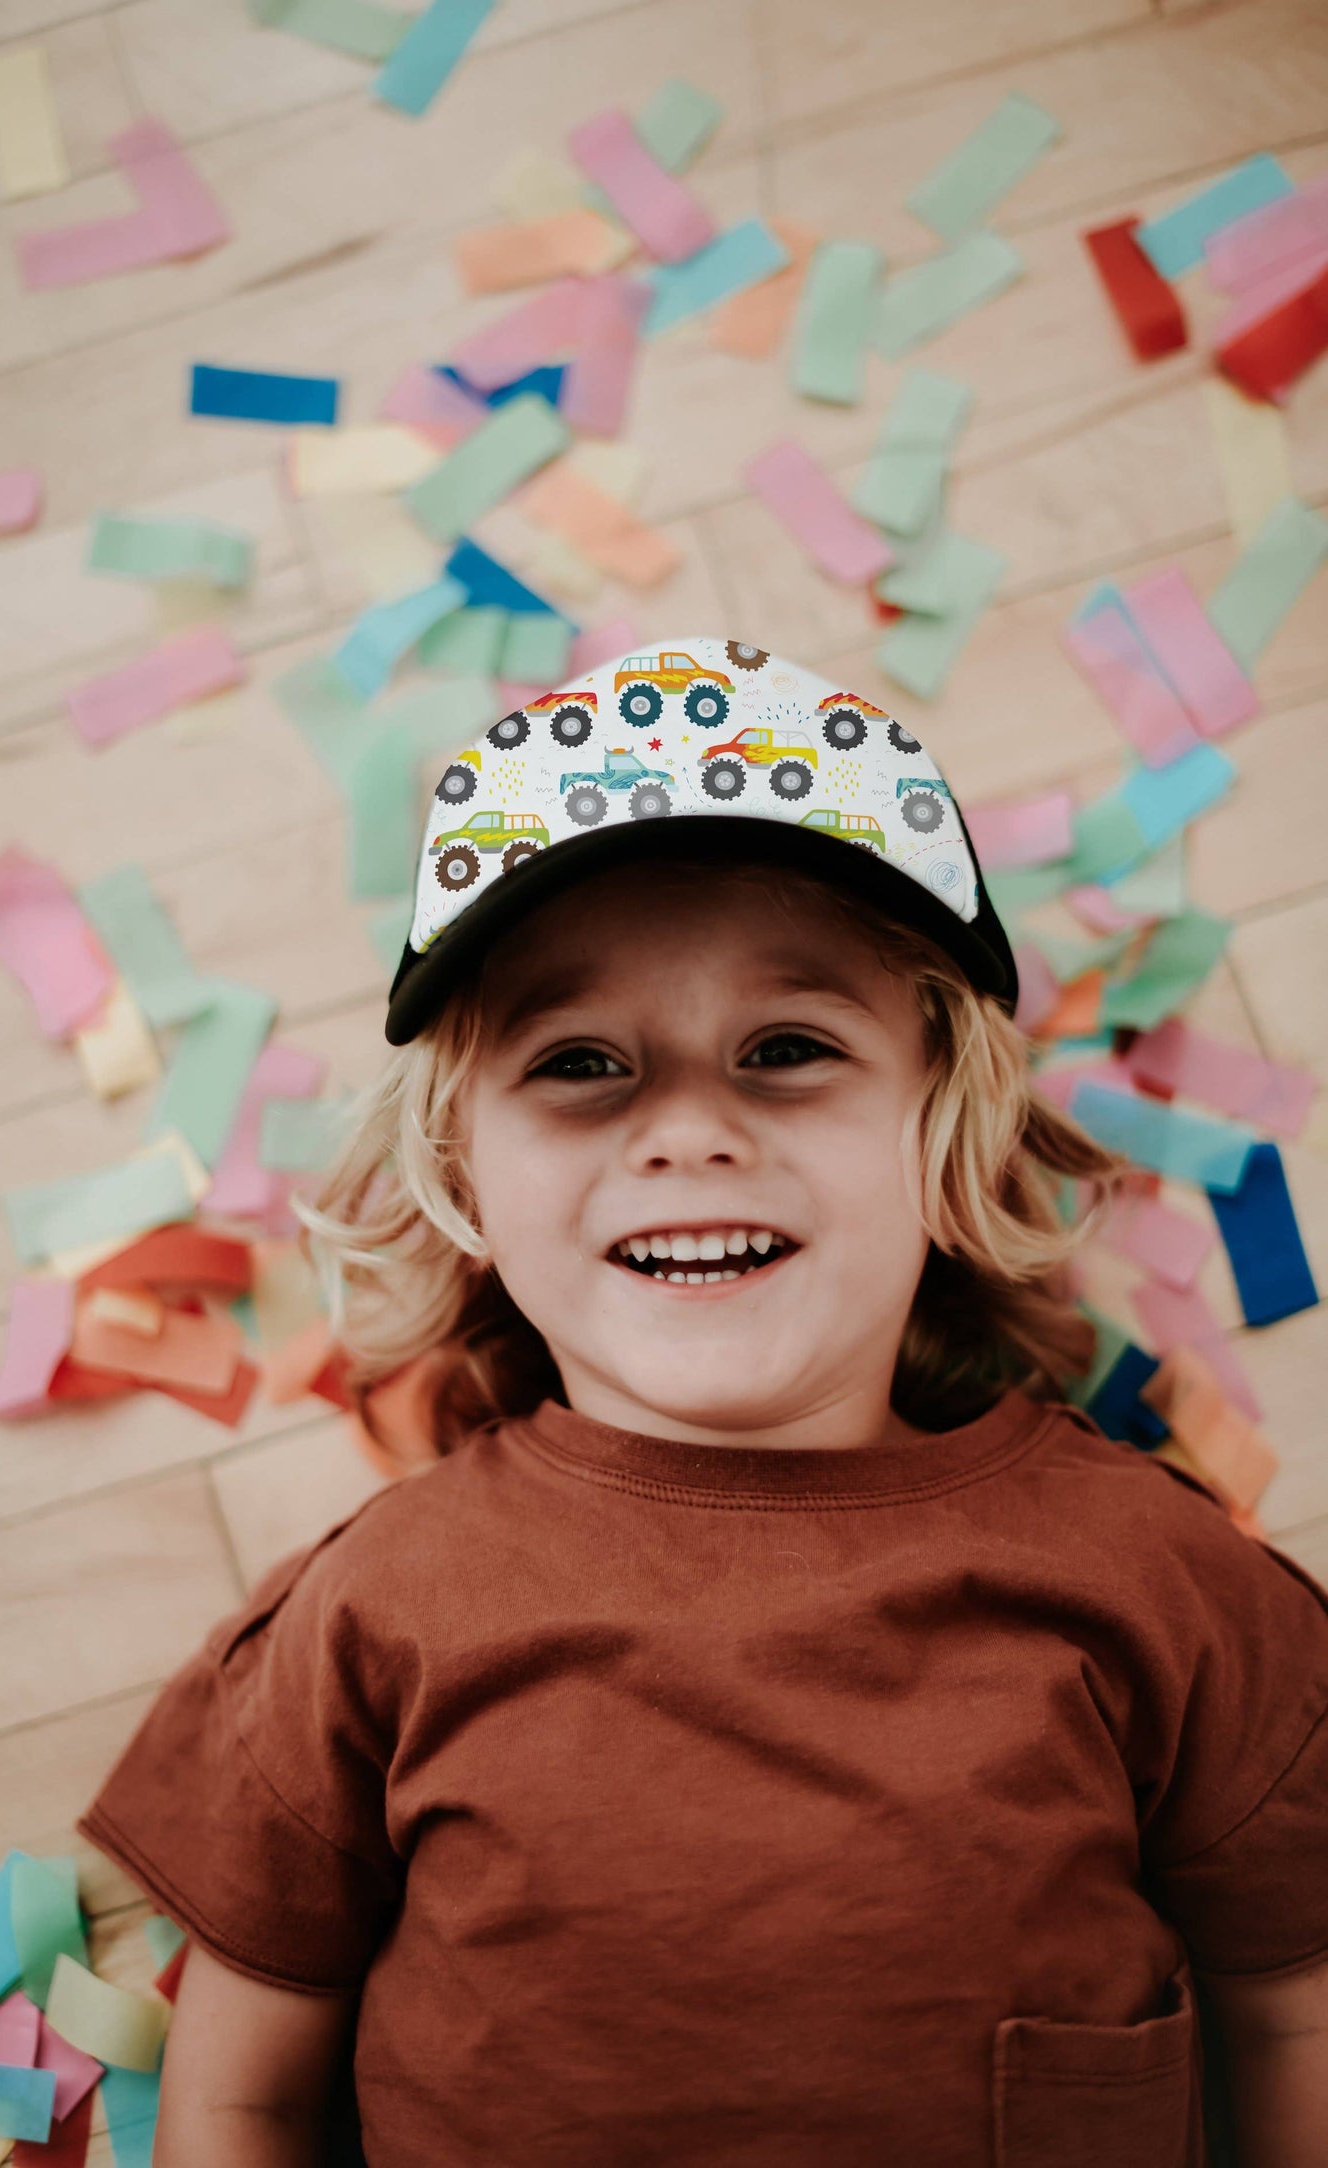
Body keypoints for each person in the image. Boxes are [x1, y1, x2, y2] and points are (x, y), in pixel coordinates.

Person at [75, 638, 1328, 2167]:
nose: (686, 1130)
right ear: (461, 1170)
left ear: (942, 1126)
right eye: (582, 1062)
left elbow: (1293, 2014)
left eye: (786, 1049)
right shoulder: (371, 1615)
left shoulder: (1162, 1582)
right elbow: (245, 2092)